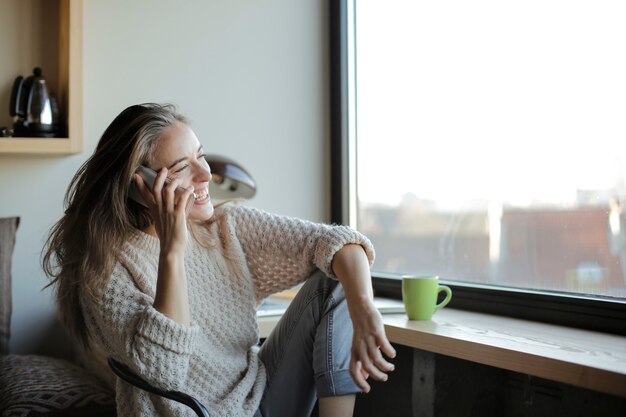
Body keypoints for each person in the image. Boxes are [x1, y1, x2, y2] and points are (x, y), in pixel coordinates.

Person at [43, 103, 395, 417]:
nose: (206, 174)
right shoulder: (104, 269)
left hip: (261, 399)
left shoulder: (226, 227)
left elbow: (340, 243)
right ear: (141, 187)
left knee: (335, 277)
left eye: (201, 155)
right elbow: (163, 372)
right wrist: (173, 249)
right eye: (183, 166)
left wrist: (364, 309)